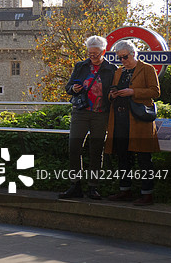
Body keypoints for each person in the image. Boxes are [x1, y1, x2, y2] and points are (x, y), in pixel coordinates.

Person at [59, 35, 117, 199]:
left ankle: (93, 187)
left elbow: (114, 88)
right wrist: (74, 89)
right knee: (74, 147)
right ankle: (75, 185)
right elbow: (68, 87)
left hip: (101, 113)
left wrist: (113, 93)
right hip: (81, 111)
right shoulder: (81, 66)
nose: (92, 57)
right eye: (90, 53)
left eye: (96, 54)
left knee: (96, 151)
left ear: (104, 51)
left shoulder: (111, 69)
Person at [105, 40, 161, 206]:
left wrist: (133, 91)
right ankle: (125, 190)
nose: (122, 60)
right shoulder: (119, 72)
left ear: (134, 53)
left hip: (139, 120)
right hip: (120, 120)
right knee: (123, 156)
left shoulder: (147, 69)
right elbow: (111, 90)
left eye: (125, 57)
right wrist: (112, 95)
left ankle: (147, 194)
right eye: (119, 58)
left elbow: (155, 92)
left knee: (144, 158)